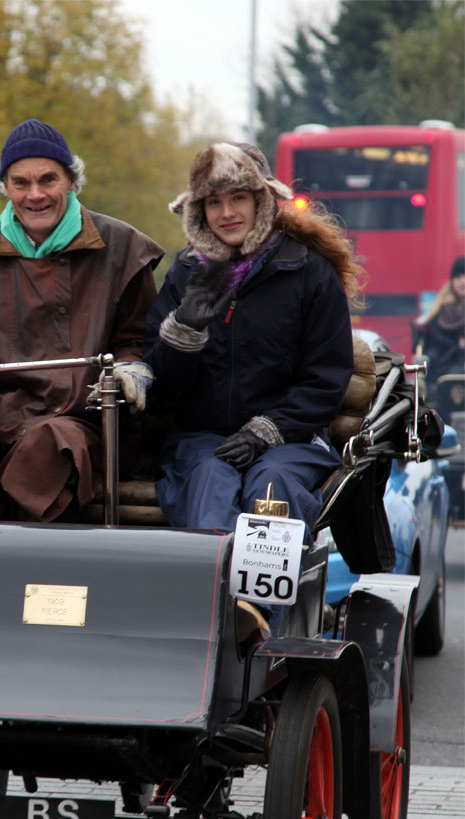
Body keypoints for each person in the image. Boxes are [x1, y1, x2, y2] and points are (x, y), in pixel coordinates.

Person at [144, 142, 363, 631]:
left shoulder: (308, 272)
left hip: (292, 441)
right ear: (199, 210)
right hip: (201, 439)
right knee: (210, 478)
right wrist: (184, 332)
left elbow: (326, 377)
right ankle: (211, 610)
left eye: (238, 198)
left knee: (273, 485)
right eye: (213, 202)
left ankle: (256, 616)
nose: (226, 213)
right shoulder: (185, 273)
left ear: (262, 201)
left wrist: (267, 430)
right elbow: (160, 387)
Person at [0, 119, 163, 522]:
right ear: (5, 188)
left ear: (72, 182)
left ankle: (14, 551)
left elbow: (139, 340)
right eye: (20, 182)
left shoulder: (122, 248)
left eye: (48, 179)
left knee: (49, 444)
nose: (35, 194)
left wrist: (132, 369)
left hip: (82, 420)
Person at [415, 255, 465, 385]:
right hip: (443, 377)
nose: (462, 281)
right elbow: (431, 349)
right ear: (452, 281)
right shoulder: (439, 313)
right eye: (458, 277)